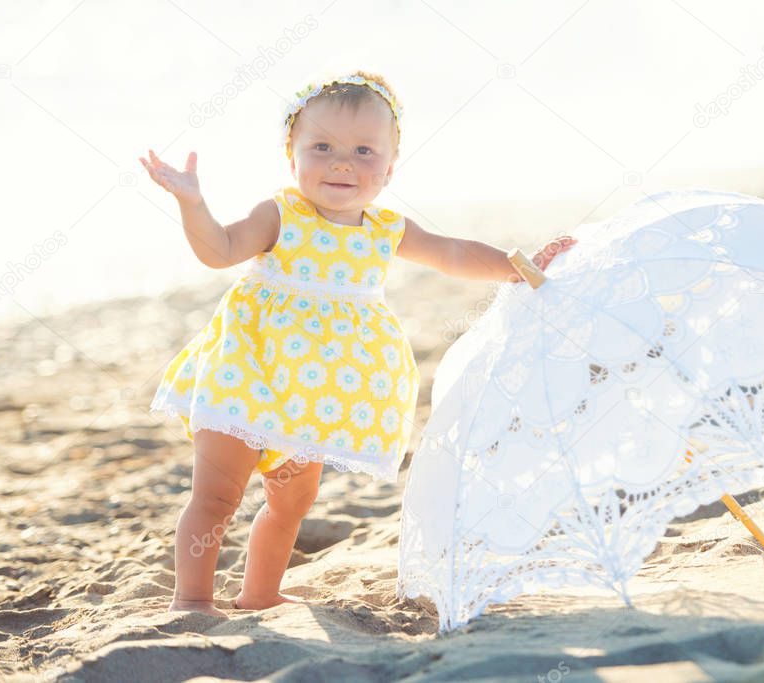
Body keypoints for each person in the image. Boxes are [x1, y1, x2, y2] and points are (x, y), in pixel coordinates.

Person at [140, 70, 577, 618]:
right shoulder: (280, 214)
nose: (342, 162)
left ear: (390, 167)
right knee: (218, 495)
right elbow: (220, 250)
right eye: (321, 147)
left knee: (292, 502)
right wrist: (191, 203)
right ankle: (193, 600)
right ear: (291, 157)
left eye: (363, 151)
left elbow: (454, 253)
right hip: (246, 372)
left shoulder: (386, 229)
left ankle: (259, 594)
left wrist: (519, 265)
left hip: (313, 396)